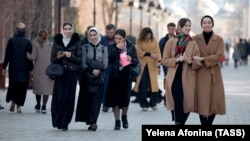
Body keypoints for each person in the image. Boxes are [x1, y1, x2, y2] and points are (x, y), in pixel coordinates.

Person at [161, 18, 201, 125]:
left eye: (189, 25)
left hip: (188, 77)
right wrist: (177, 60)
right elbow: (164, 60)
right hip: (174, 77)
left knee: (187, 105)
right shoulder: (171, 41)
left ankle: (180, 123)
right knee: (178, 102)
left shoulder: (193, 43)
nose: (188, 28)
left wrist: (189, 60)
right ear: (180, 27)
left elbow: (198, 63)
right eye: (185, 26)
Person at [193, 15, 226, 125]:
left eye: (209, 22)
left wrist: (202, 59)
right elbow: (192, 54)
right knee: (202, 102)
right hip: (200, 74)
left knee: (214, 102)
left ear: (212, 24)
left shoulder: (219, 39)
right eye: (204, 22)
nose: (207, 24)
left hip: (214, 75)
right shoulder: (195, 39)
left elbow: (218, 56)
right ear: (201, 25)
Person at [51, 21, 82, 131]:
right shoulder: (57, 41)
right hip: (60, 74)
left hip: (71, 73)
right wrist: (59, 57)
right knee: (58, 98)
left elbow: (80, 60)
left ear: (72, 29)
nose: (68, 31)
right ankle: (57, 121)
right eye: (66, 29)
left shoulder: (77, 42)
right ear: (62, 30)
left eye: (70, 28)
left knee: (69, 98)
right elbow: (52, 59)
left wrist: (71, 56)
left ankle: (65, 123)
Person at [104, 29, 139, 130]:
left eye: (120, 38)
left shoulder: (131, 46)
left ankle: (124, 116)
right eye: (116, 38)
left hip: (126, 75)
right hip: (114, 75)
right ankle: (117, 121)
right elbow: (109, 58)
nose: (117, 40)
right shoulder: (111, 46)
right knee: (115, 99)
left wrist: (131, 59)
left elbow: (136, 61)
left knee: (125, 99)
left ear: (124, 38)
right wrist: (116, 48)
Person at [75, 27, 108, 131]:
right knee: (88, 100)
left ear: (98, 35)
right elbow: (83, 63)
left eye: (95, 35)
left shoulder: (104, 48)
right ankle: (89, 120)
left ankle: (94, 122)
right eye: (91, 35)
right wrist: (91, 70)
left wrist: (98, 69)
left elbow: (105, 64)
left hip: (99, 78)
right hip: (87, 78)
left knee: (97, 101)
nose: (93, 37)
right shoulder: (84, 47)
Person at [2, 23, 33, 113]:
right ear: (24, 31)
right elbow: (29, 57)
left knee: (13, 85)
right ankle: (18, 106)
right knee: (21, 87)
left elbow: (7, 55)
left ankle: (13, 102)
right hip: (24, 68)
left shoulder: (11, 40)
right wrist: (31, 69)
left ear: (16, 30)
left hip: (13, 67)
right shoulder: (27, 41)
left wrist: (4, 67)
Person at [133, 27, 161, 111]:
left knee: (154, 85)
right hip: (143, 65)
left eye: (150, 35)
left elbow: (158, 52)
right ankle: (144, 104)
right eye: (147, 35)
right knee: (142, 85)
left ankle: (153, 103)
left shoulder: (154, 40)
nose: (148, 36)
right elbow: (138, 52)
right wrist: (149, 54)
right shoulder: (139, 41)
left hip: (153, 65)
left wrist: (159, 62)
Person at [26, 29, 54, 114]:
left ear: (39, 35)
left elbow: (33, 57)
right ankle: (44, 107)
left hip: (38, 69)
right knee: (46, 89)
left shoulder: (35, 44)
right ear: (47, 35)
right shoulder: (51, 45)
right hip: (48, 69)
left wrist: (26, 53)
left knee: (38, 88)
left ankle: (38, 105)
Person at [100, 24, 116, 112]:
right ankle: (105, 104)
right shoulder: (102, 40)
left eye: (111, 32)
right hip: (106, 66)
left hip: (115, 66)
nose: (110, 34)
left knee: (115, 86)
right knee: (105, 85)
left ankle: (114, 105)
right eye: (108, 32)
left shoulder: (117, 39)